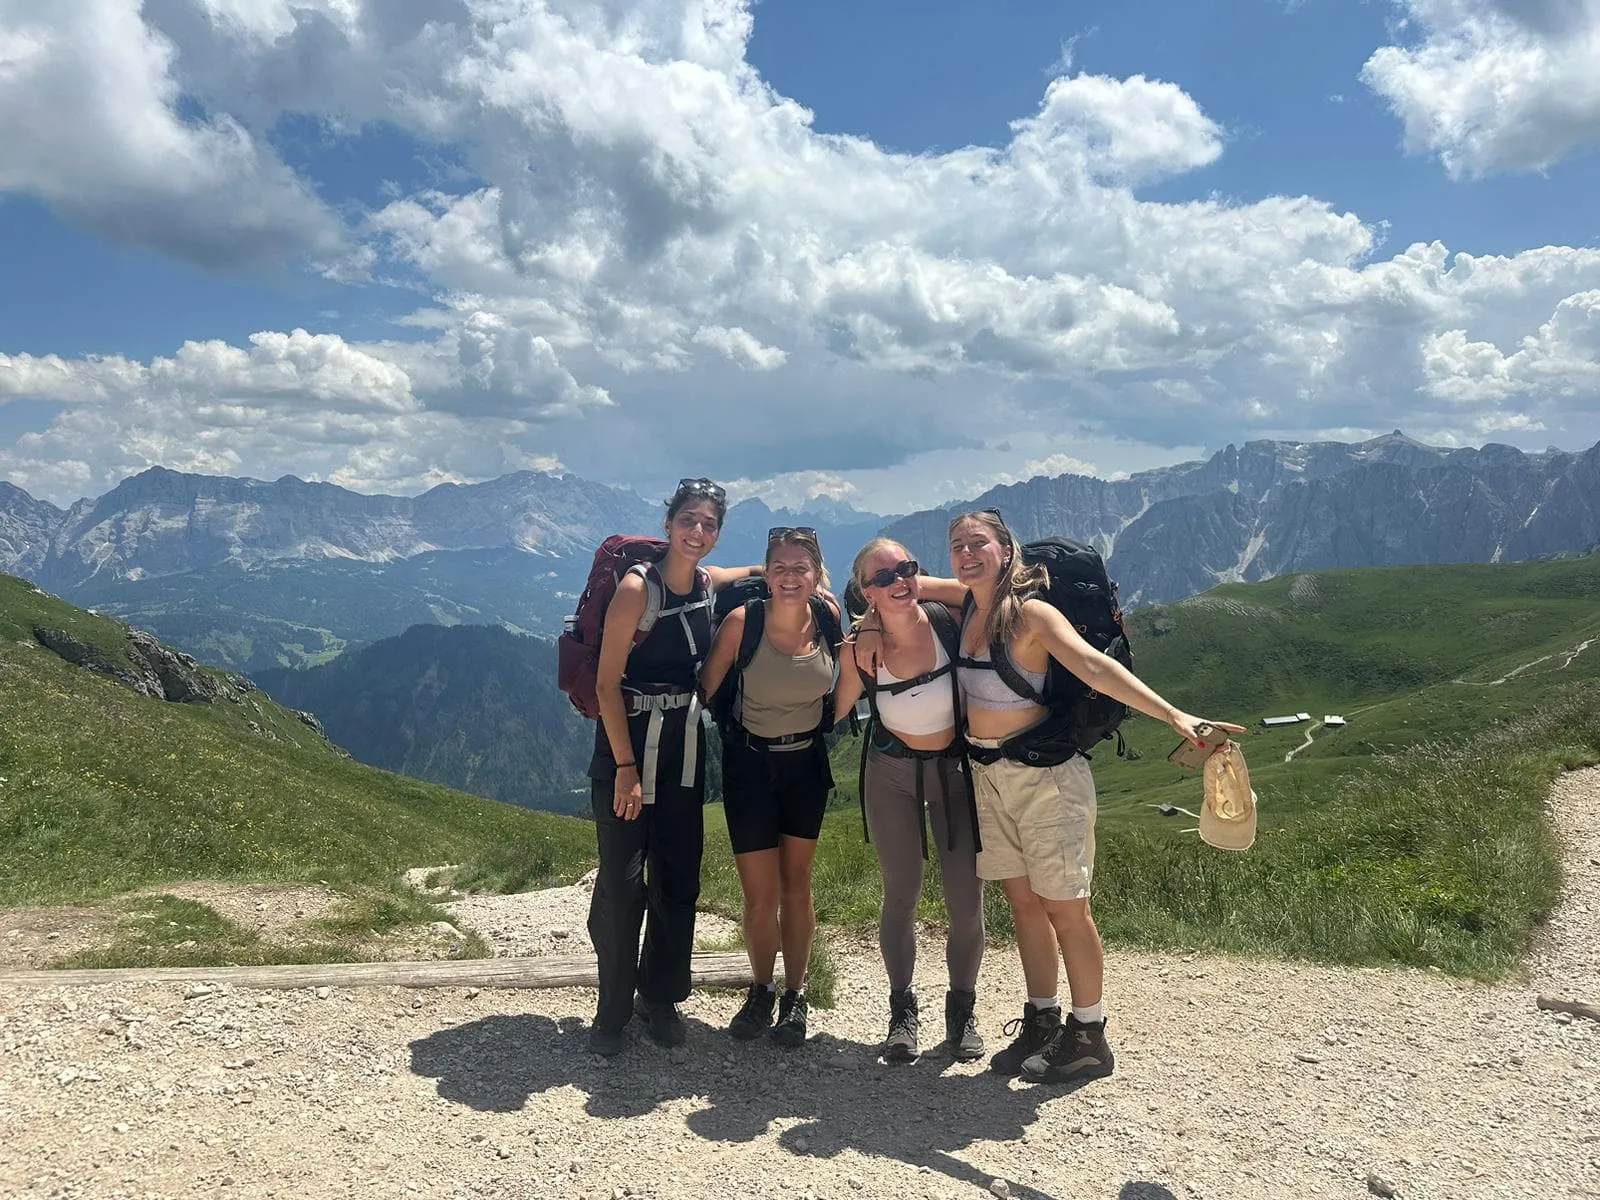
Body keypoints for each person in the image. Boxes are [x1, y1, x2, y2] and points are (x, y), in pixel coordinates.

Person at [945, 509, 1242, 1084]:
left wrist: (1173, 714)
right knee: (1025, 903)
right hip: (988, 774)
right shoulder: (969, 607)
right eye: (956, 544)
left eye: (978, 542)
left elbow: (1091, 664)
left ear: (1007, 550)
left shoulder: (1031, 612)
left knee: (1066, 907)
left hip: (1045, 778)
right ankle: (1042, 1018)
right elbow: (897, 584)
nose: (966, 553)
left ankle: (1089, 1035)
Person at [587, 478, 760, 1057]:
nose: (698, 532)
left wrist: (796, 578)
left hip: (683, 746)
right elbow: (606, 683)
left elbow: (733, 576)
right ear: (668, 524)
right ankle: (610, 1012)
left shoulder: (707, 583)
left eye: (709, 524)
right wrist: (625, 769)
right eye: (689, 520)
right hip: (628, 742)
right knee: (623, 878)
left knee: (679, 874)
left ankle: (659, 999)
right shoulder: (638, 589)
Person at [831, 539, 986, 1065]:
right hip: (891, 775)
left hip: (956, 773)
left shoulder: (948, 617)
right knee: (901, 895)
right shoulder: (858, 648)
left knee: (967, 901)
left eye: (907, 569)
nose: (899, 580)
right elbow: (833, 712)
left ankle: (961, 1010)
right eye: (883, 577)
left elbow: (983, 588)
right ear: (864, 591)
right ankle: (903, 1011)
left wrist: (889, 601)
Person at [699, 527, 842, 1049]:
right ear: (765, 572)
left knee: (796, 886)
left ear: (816, 573)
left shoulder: (828, 619)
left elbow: (845, 682)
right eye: (778, 567)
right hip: (751, 767)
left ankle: (795, 995)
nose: (788, 576)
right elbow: (705, 688)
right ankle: (761, 989)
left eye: (800, 567)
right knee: (759, 895)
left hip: (806, 765)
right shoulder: (743, 623)